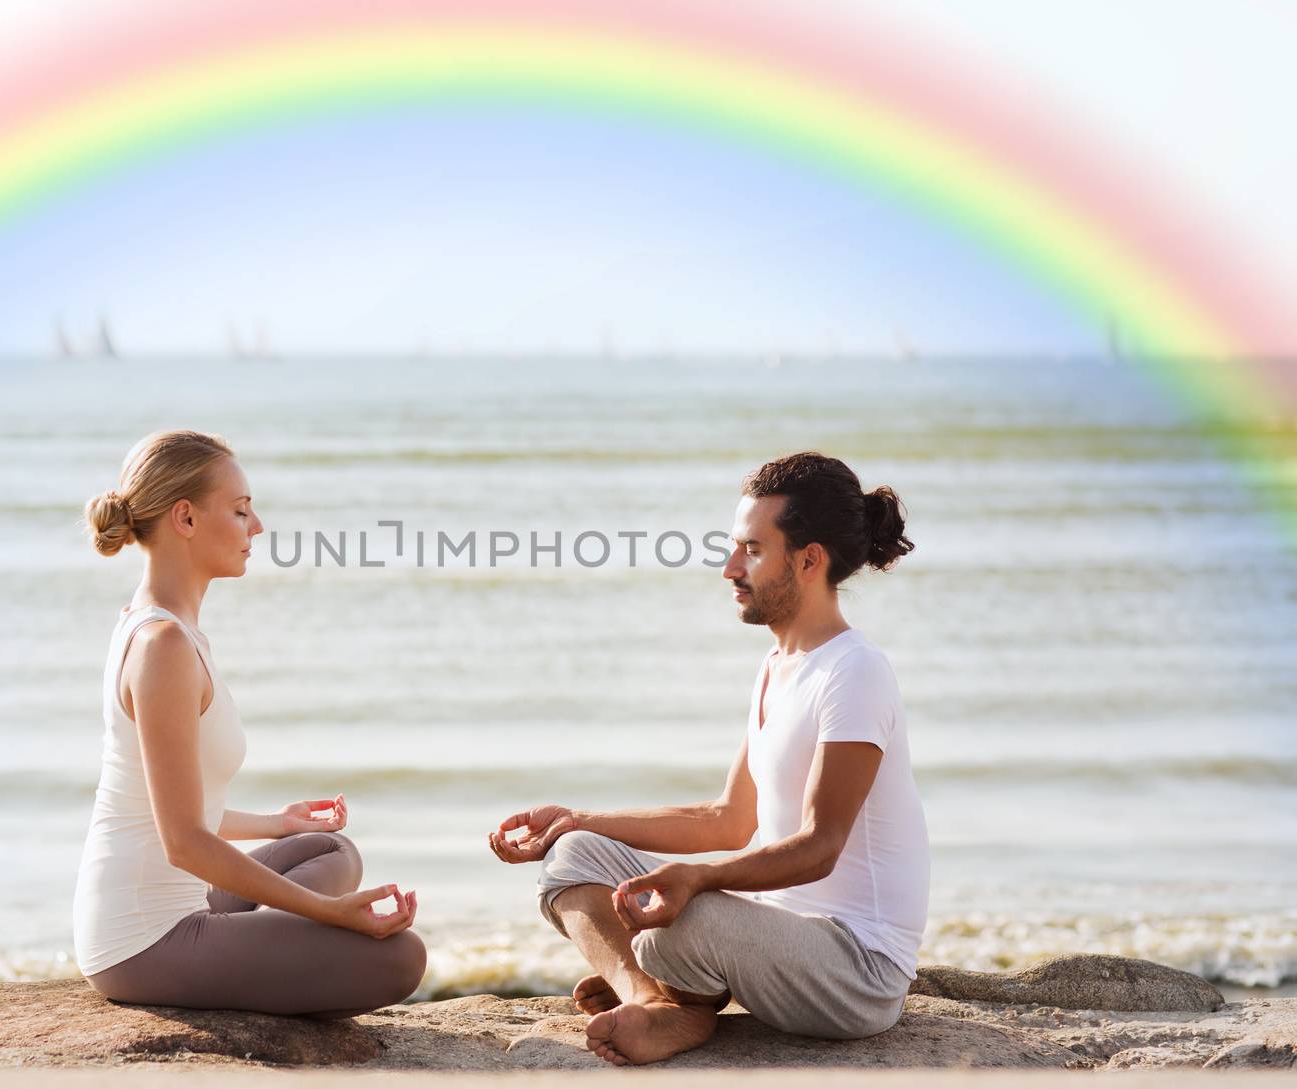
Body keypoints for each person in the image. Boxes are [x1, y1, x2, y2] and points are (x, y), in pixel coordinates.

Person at [490, 451, 928, 1065]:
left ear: (808, 559)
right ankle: (656, 1002)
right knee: (573, 858)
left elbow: (821, 845)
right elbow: (726, 820)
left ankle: (675, 988)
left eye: (752, 549)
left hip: (857, 970)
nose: (729, 568)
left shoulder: (855, 672)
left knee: (678, 919)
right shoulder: (777, 668)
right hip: (776, 942)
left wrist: (701, 877)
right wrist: (581, 819)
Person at [73, 429, 425, 1015]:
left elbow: (169, 805)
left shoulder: (163, 627)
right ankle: (256, 959)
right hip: (141, 940)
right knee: (402, 959)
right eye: (240, 511)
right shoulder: (162, 646)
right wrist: (330, 914)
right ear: (184, 518)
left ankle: (257, 953)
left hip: (183, 901)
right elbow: (182, 840)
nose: (256, 528)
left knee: (328, 848)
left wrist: (276, 823)